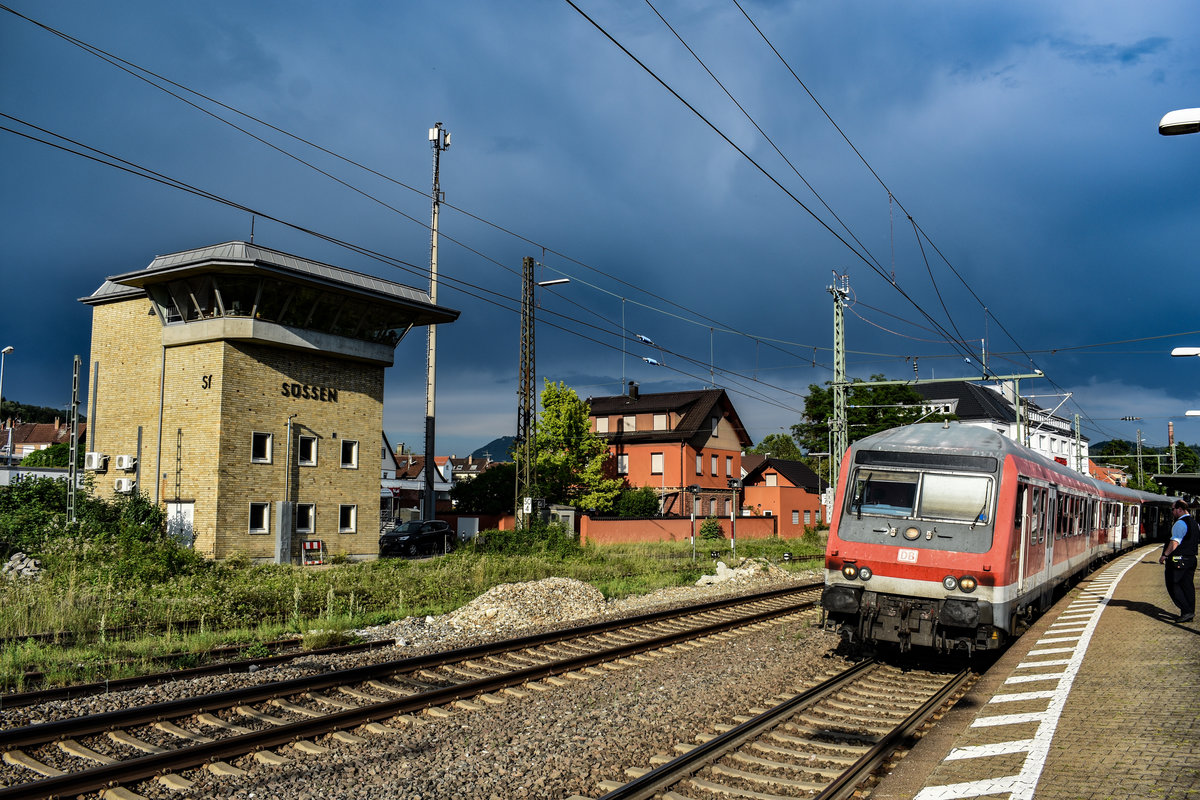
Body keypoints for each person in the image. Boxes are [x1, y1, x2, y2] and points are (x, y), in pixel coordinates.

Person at [1159, 499, 1197, 623]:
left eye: (1173, 509)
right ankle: (1189, 612)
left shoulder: (1180, 524)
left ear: (1179, 509)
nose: (1172, 512)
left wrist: (1165, 555)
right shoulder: (1195, 523)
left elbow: (1175, 542)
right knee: (1187, 586)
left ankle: (1186, 611)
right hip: (1191, 559)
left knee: (1173, 584)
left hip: (1178, 560)